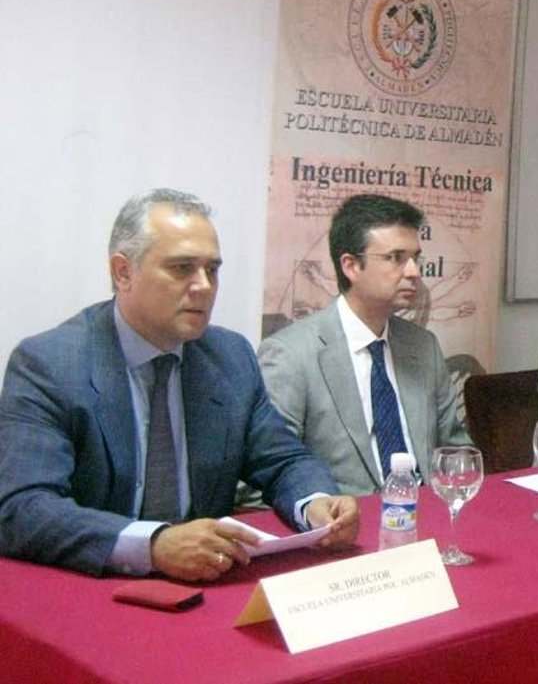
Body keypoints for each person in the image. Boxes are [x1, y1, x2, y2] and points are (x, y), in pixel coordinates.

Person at [0, 189, 359, 581]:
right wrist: (153, 545)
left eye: (212, 270)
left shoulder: (229, 357)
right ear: (123, 272)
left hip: (206, 583)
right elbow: (22, 506)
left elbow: (282, 460)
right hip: (93, 585)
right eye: (182, 268)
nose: (203, 285)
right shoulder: (50, 364)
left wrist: (316, 504)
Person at [258, 194, 471, 492]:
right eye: (396, 258)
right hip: (344, 515)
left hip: (427, 508)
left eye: (416, 258)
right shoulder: (291, 354)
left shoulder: (423, 346)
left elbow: (455, 449)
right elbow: (267, 474)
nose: (414, 272)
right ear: (351, 266)